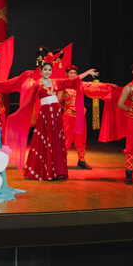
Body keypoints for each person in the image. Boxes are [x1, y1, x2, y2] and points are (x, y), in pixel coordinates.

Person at [16, 48, 82, 181]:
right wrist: (18, 113)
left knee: (56, 141)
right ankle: (42, 171)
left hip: (57, 114)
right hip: (45, 115)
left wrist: (87, 73)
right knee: (44, 141)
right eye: (45, 70)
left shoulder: (55, 82)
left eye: (49, 70)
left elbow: (71, 81)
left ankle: (56, 171)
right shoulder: (36, 84)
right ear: (40, 71)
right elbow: (29, 101)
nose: (47, 72)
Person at [59, 65, 99, 170]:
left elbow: (96, 87)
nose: (73, 75)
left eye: (74, 73)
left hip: (80, 116)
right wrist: (66, 107)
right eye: (71, 73)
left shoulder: (81, 84)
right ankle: (62, 162)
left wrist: (109, 86)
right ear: (66, 74)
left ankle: (82, 161)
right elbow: (58, 101)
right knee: (66, 139)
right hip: (68, 116)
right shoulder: (63, 85)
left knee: (81, 139)